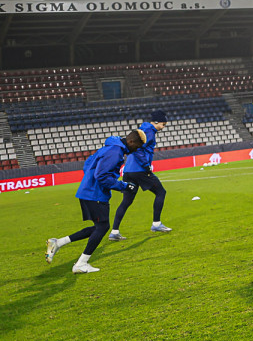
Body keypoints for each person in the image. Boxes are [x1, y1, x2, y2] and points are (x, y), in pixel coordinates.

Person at [46, 129, 145, 273]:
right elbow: (102, 176)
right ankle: (80, 264)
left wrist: (89, 181)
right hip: (95, 195)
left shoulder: (109, 147)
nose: (137, 150)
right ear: (131, 141)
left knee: (100, 227)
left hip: (88, 192)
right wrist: (124, 186)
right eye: (137, 146)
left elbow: (87, 165)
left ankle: (58, 243)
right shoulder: (115, 152)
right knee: (102, 227)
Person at [109, 110, 173, 239]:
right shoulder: (149, 132)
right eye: (163, 124)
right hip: (140, 170)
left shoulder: (143, 130)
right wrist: (146, 166)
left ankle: (114, 232)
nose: (163, 127)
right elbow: (138, 150)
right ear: (156, 122)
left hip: (128, 170)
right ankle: (156, 224)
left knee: (126, 201)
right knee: (161, 192)